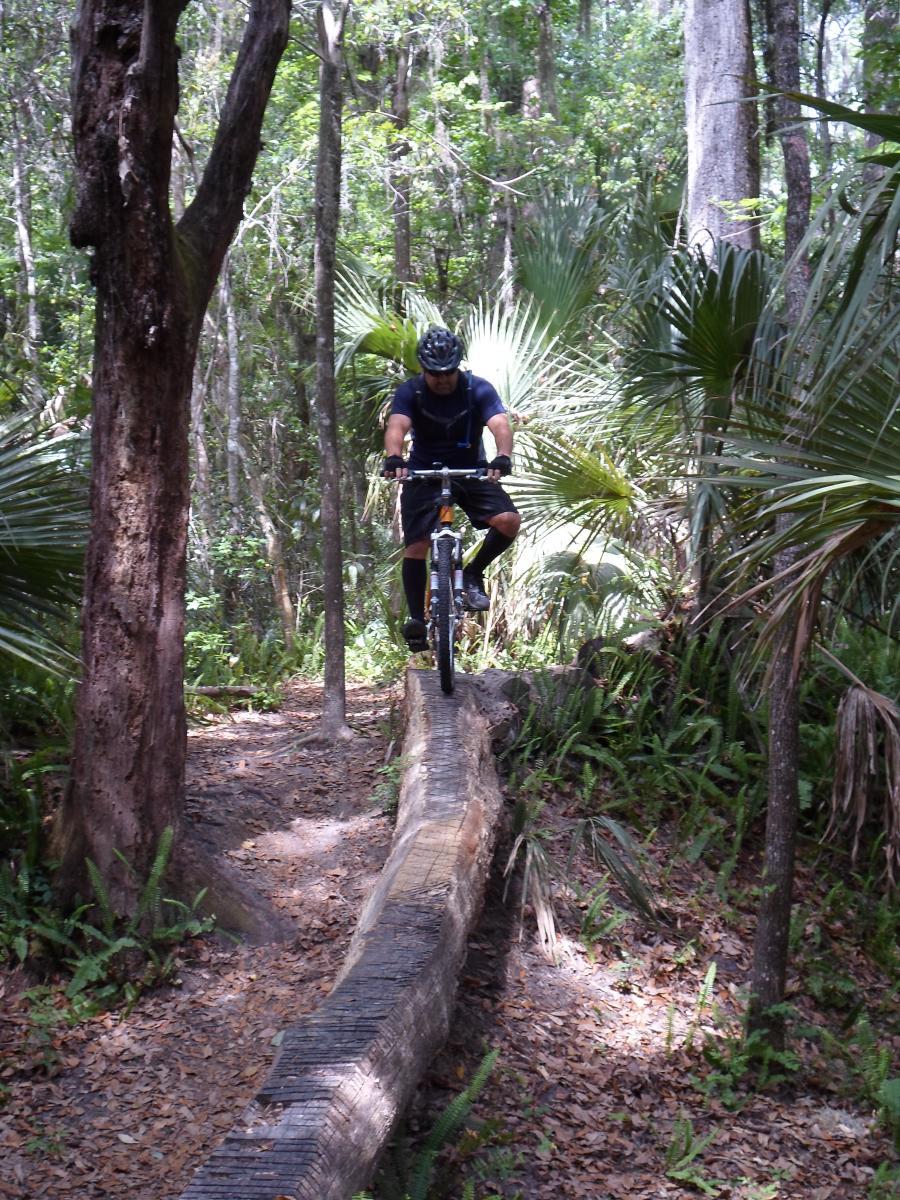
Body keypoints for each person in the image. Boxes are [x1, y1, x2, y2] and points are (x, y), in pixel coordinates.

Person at [383, 326, 521, 651]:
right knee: (417, 545)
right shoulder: (411, 392)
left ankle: (473, 573)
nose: (442, 379)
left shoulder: (477, 389)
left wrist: (502, 457)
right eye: (435, 373)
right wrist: (393, 457)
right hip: (422, 473)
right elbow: (397, 425)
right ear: (423, 369)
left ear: (458, 365)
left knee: (509, 521)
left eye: (448, 372)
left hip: (470, 469)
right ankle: (417, 619)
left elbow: (500, 422)